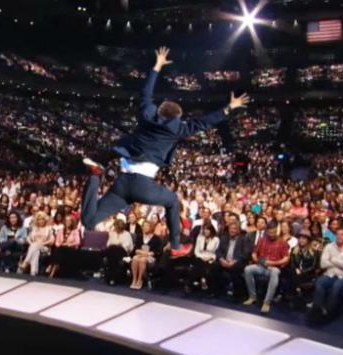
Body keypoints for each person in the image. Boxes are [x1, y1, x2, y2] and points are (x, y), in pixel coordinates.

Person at [80, 47, 250, 258]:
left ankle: (96, 176)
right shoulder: (178, 128)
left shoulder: (147, 114)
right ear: (177, 117)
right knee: (172, 201)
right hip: (142, 185)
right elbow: (204, 122)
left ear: (159, 111)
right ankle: (177, 245)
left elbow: (146, 94)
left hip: (122, 185)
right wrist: (229, 108)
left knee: (89, 221)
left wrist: (157, 66)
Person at [309, 227, 343, 322]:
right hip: (329, 274)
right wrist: (341, 262)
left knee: (336, 286)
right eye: (337, 234)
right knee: (320, 283)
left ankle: (329, 312)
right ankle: (317, 309)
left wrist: (332, 259)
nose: (338, 236)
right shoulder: (329, 246)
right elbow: (323, 264)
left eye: (341, 234)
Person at [243, 223, 290, 313]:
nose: (271, 235)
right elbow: (254, 253)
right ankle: (252, 297)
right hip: (261, 265)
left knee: (275, 272)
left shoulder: (282, 242)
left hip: (273, 267)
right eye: (270, 233)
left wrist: (273, 263)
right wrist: (256, 259)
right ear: (267, 232)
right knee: (247, 269)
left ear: (276, 231)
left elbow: (286, 258)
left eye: (273, 232)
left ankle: (267, 302)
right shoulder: (262, 240)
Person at [211, 222, 251, 298]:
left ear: (238, 230)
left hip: (237, 262)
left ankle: (237, 295)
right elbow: (218, 251)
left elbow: (246, 254)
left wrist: (234, 261)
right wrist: (222, 260)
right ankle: (217, 291)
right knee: (214, 266)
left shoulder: (244, 239)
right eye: (230, 229)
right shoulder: (224, 238)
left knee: (235, 269)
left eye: (234, 229)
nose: (232, 231)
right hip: (225, 261)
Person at [286, 231, 320, 307]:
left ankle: (296, 293)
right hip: (296, 272)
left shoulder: (313, 252)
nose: (301, 240)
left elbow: (313, 266)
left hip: (308, 274)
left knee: (296, 277)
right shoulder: (294, 249)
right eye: (300, 238)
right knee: (290, 272)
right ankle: (295, 294)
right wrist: (296, 269)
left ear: (308, 240)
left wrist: (302, 271)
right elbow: (292, 263)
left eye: (304, 238)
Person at [130, 221, 164, 290]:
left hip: (151, 257)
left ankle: (140, 280)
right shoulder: (140, 236)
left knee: (142, 260)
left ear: (151, 227)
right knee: (135, 258)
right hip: (140, 255)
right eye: (143, 226)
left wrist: (148, 254)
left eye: (146, 226)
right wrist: (141, 252)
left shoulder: (156, 238)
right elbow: (135, 249)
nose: (144, 227)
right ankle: (134, 279)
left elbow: (158, 251)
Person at [189, 223, 220, 292]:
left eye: (207, 230)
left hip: (210, 258)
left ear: (211, 231)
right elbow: (196, 251)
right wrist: (202, 257)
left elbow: (216, 252)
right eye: (204, 229)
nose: (206, 231)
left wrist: (210, 258)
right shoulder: (200, 238)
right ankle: (203, 279)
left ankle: (194, 282)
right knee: (199, 263)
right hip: (200, 257)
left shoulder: (216, 239)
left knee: (206, 265)